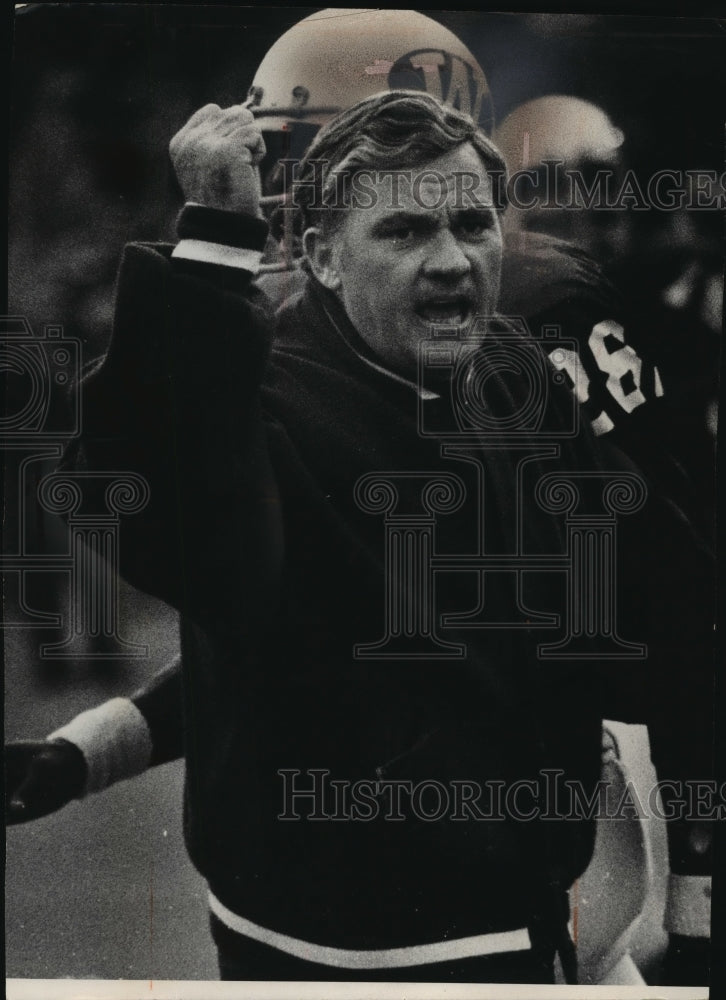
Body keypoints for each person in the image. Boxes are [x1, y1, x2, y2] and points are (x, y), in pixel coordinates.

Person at [6, 92, 714, 985]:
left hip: (540, 929)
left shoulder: (517, 374)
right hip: (340, 954)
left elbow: (361, 636)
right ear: (321, 257)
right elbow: (194, 551)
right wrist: (213, 240)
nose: (454, 260)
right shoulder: (262, 396)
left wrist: (95, 747)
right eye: (406, 232)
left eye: (471, 224)